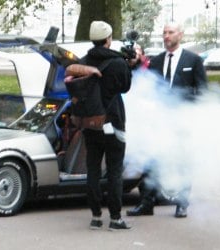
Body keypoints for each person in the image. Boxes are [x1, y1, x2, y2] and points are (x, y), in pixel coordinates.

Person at [126, 22, 207, 218]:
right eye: (164, 33)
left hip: (182, 120)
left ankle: (181, 203)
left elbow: (203, 92)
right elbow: (147, 88)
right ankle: (147, 203)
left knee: (181, 161)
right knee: (151, 160)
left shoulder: (193, 60)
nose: (166, 36)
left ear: (180, 34)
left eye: (170, 32)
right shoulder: (156, 61)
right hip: (158, 121)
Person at [66, 21, 134, 231]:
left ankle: (96, 217)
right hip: (113, 123)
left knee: (93, 170)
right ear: (108, 39)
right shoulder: (117, 62)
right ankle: (115, 219)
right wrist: (129, 64)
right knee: (114, 171)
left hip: (90, 123)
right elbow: (126, 87)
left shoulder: (84, 61)